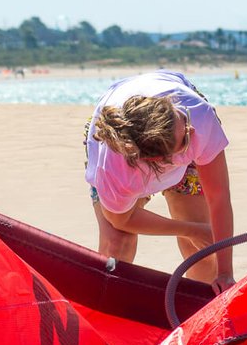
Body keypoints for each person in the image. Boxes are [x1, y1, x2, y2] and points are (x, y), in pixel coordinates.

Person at [84, 70, 235, 291]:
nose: (191, 130)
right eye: (185, 138)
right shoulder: (115, 167)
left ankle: (198, 311)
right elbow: (122, 219)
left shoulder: (196, 117)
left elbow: (219, 197)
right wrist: (189, 229)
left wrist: (225, 273)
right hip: (122, 139)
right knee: (118, 243)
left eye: (182, 119)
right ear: (157, 161)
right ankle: (108, 310)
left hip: (166, 135)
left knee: (203, 252)